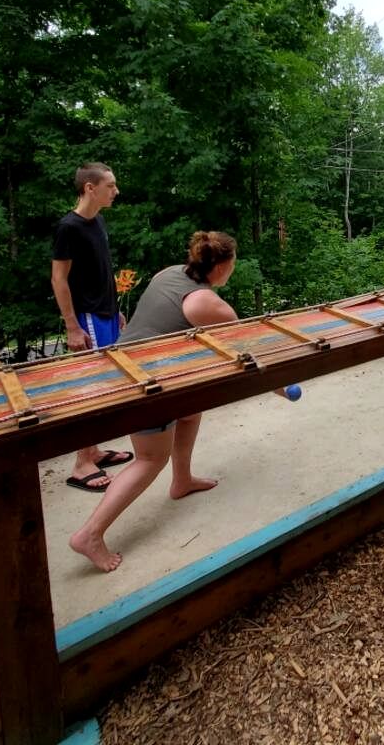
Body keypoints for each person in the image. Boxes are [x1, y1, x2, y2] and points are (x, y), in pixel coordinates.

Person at [69, 230, 237, 572]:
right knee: (149, 459)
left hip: (129, 363)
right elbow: (241, 336)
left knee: (191, 411)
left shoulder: (170, 273)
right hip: (144, 381)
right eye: (232, 264)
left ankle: (182, 480)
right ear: (220, 267)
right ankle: (89, 534)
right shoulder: (206, 302)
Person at [51, 162, 136, 492]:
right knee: (93, 387)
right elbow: (59, 279)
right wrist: (72, 326)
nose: (116, 191)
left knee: (109, 385)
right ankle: (81, 464)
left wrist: (116, 311)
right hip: (86, 317)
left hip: (106, 314)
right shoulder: (68, 228)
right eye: (110, 186)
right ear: (90, 188)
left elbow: (102, 271)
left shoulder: (97, 221)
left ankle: (94, 451)